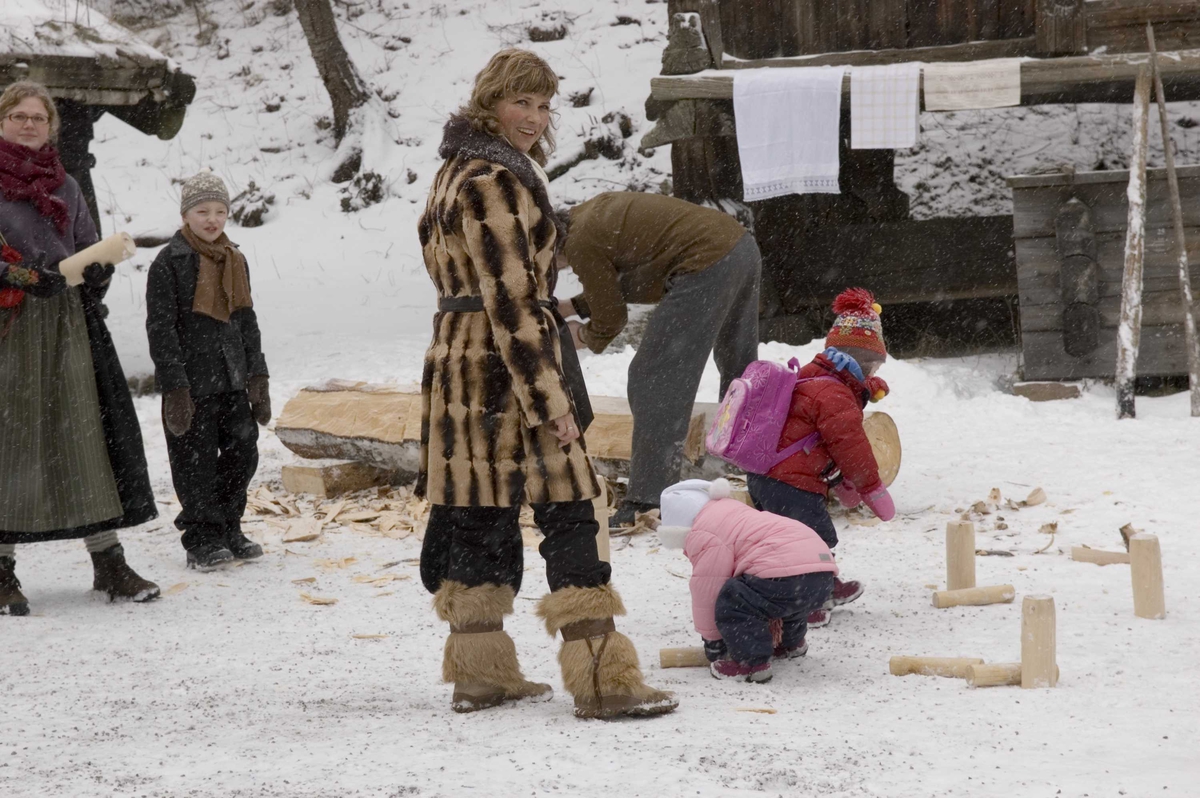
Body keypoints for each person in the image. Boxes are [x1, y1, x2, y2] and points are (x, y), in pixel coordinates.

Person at [416, 48, 676, 719]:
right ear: (490, 103)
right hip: (509, 373)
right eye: (520, 103)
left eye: (541, 105)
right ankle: (605, 683)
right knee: (572, 510)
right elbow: (506, 300)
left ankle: (480, 675)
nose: (533, 118)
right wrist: (550, 401)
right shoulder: (495, 181)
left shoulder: (454, 171)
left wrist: (546, 305)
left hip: (459, 366)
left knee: (477, 512)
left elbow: (475, 289)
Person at [0, 81, 159, 615]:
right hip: (10, 324)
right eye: (18, 116)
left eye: (37, 118)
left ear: (51, 127)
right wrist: (21, 274)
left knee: (85, 433)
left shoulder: (65, 185)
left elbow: (86, 242)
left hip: (70, 324)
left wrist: (94, 270)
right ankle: (0, 569)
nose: (28, 125)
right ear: (2, 121)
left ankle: (108, 562)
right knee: (11, 440)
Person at [557, 192, 761, 526]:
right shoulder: (587, 218)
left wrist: (582, 336)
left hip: (706, 261)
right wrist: (574, 306)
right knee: (739, 367)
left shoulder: (579, 243)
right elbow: (631, 274)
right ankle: (762, 471)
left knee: (655, 376)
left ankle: (648, 499)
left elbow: (611, 316)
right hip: (739, 246)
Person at [747, 288, 895, 628]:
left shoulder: (817, 377)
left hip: (769, 477)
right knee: (812, 541)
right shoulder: (833, 393)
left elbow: (824, 440)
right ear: (858, 360)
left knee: (794, 540)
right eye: (871, 365)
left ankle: (821, 587)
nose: (872, 374)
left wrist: (841, 482)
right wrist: (872, 488)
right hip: (789, 484)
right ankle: (806, 602)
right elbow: (850, 445)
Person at [146, 171, 270, 571]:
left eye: (220, 210)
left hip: (233, 377)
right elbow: (160, 328)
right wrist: (175, 387)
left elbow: (247, 320)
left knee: (242, 453)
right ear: (186, 215)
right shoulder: (169, 263)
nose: (212, 219)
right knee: (194, 461)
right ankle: (201, 537)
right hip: (193, 383)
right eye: (203, 211)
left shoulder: (235, 259)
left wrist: (258, 377)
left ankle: (230, 526)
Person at [658, 478, 837, 683]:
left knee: (734, 598)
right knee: (784, 598)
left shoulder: (704, 531)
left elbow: (708, 589)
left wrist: (713, 641)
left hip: (785, 574)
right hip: (822, 572)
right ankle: (790, 643)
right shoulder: (736, 513)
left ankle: (751, 663)